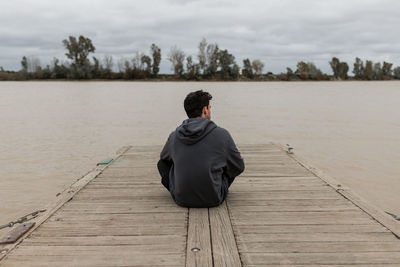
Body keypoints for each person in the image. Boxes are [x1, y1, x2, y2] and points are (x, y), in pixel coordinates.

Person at [157, 90, 244, 208]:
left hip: (182, 199)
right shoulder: (222, 134)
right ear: (205, 110)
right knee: (229, 162)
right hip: (214, 198)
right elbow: (239, 167)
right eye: (210, 107)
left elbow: (164, 159)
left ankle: (183, 188)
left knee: (162, 164)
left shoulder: (174, 135)